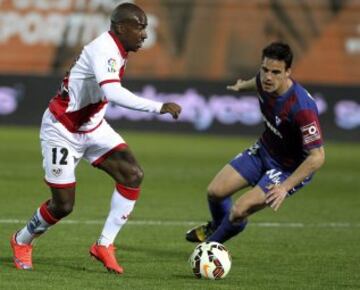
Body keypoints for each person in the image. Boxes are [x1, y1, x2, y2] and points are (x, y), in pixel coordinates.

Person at [11, 3, 181, 274]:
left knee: (132, 174)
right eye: (139, 27)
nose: (145, 34)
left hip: (92, 127)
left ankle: (104, 245)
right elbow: (113, 93)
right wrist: (158, 106)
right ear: (121, 27)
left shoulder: (119, 49)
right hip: (62, 129)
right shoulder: (104, 49)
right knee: (63, 205)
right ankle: (22, 240)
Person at [186, 42, 325, 244]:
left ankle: (210, 249)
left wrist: (285, 187)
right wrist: (243, 86)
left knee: (239, 210)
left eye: (276, 72)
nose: (268, 77)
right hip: (264, 151)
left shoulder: (302, 108)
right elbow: (257, 82)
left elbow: (317, 157)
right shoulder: (263, 81)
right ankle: (219, 226)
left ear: (288, 72)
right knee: (215, 192)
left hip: (288, 168)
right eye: (265, 70)